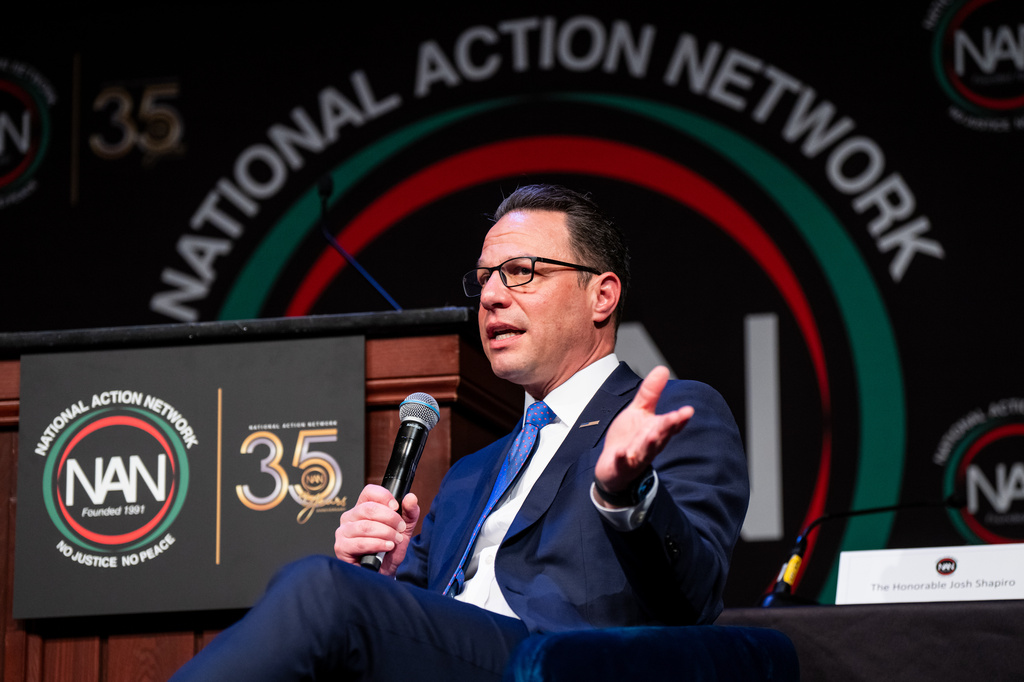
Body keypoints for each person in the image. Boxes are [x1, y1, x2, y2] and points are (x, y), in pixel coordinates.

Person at [170, 184, 749, 681]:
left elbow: (692, 598)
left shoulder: (676, 412)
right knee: (328, 600)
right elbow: (424, 623)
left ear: (601, 295)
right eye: (485, 279)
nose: (492, 296)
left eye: (521, 273)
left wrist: (629, 493)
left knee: (319, 591)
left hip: (558, 662)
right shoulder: (471, 473)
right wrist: (385, 581)